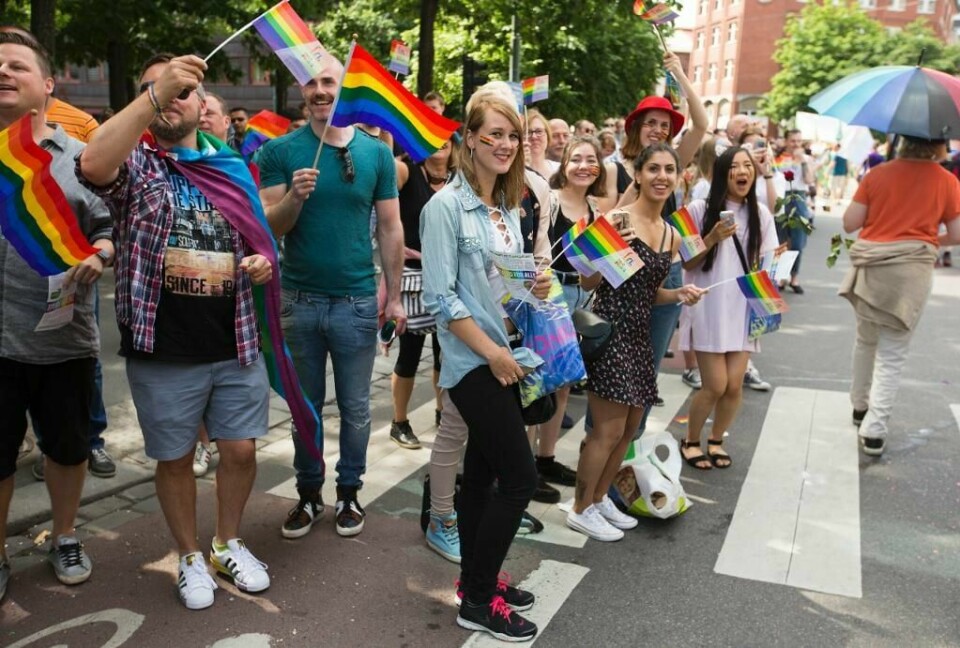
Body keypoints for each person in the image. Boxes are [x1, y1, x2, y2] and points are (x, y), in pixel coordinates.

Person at [79, 52, 275, 610]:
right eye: (157, 90)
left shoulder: (234, 168)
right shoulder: (138, 164)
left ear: (202, 104)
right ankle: (189, 555)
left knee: (239, 450)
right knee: (174, 457)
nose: (170, 98)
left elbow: (261, 243)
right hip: (164, 349)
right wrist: (154, 94)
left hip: (233, 340)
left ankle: (227, 542)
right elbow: (92, 165)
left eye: (182, 91)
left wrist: (262, 262)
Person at [258, 53, 405, 540]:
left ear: (346, 89)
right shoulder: (278, 152)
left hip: (358, 303)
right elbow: (268, 226)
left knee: (357, 407)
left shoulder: (377, 154)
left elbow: (389, 226)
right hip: (298, 301)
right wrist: (293, 199)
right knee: (305, 405)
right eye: (311, 83)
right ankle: (307, 493)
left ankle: (349, 492)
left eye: (329, 82)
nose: (320, 91)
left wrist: (396, 296)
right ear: (302, 91)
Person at [421, 93, 548, 642]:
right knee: (519, 480)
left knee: (480, 477)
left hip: (506, 353)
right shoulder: (445, 208)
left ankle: (479, 579)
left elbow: (502, 288)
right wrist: (492, 353)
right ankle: (476, 599)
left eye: (512, 135)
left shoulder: (507, 207)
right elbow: (441, 299)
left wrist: (532, 285)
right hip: (474, 363)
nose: (503, 144)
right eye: (492, 133)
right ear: (468, 138)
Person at [0, 31, 113, 601]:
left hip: (62, 338)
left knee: (67, 448)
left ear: (47, 85)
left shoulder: (80, 159)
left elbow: (106, 228)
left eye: (17, 65)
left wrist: (103, 252)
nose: (3, 72)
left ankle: (65, 535)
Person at [567, 144, 703, 542]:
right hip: (610, 331)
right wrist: (612, 244)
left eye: (669, 170)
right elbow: (589, 280)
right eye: (654, 169)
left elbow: (652, 291)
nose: (662, 176)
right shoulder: (617, 220)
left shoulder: (671, 236)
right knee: (605, 431)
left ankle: (597, 499)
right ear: (639, 175)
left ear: (678, 178)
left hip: (640, 336)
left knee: (629, 430)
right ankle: (579, 508)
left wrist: (680, 295)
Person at [840, 136, 960, 456]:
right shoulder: (947, 181)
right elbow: (958, 234)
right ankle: (875, 430)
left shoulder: (877, 174)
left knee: (866, 341)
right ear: (936, 145)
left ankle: (859, 406)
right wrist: (929, 238)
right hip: (913, 272)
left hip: (872, 269)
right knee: (893, 353)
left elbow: (850, 223)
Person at [678, 147, 779, 470]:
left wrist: (778, 263)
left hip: (745, 306)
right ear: (722, 174)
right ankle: (691, 440)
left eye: (748, 166)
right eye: (735, 166)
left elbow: (769, 261)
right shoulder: (698, 208)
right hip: (709, 306)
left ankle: (717, 439)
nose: (743, 171)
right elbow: (686, 259)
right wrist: (711, 238)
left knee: (734, 385)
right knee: (715, 385)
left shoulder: (761, 214)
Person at [536, 136, 607, 494]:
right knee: (538, 382)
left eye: (590, 160)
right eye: (576, 159)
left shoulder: (596, 211)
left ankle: (545, 458)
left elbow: (593, 275)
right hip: (549, 292)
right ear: (564, 165)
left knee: (563, 381)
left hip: (580, 296)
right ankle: (523, 467)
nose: (583, 165)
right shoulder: (549, 200)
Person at [388, 137, 457, 449]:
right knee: (409, 355)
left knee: (446, 354)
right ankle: (399, 421)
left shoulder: (461, 179)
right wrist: (388, 135)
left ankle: (443, 413)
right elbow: (383, 173)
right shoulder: (405, 171)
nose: (440, 143)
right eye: (432, 138)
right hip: (413, 277)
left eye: (447, 139)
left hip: (452, 277)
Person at [775, 129, 815, 294]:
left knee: (798, 242)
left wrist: (803, 162)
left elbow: (809, 180)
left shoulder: (807, 159)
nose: (796, 144)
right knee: (782, 241)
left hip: (798, 198)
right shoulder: (778, 158)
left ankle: (794, 276)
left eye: (799, 141)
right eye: (793, 141)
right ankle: (782, 277)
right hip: (782, 197)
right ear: (786, 142)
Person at [525, 108, 558, 181]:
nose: (534, 136)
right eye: (528, 132)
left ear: (548, 135)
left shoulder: (559, 169)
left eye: (539, 131)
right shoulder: (514, 173)